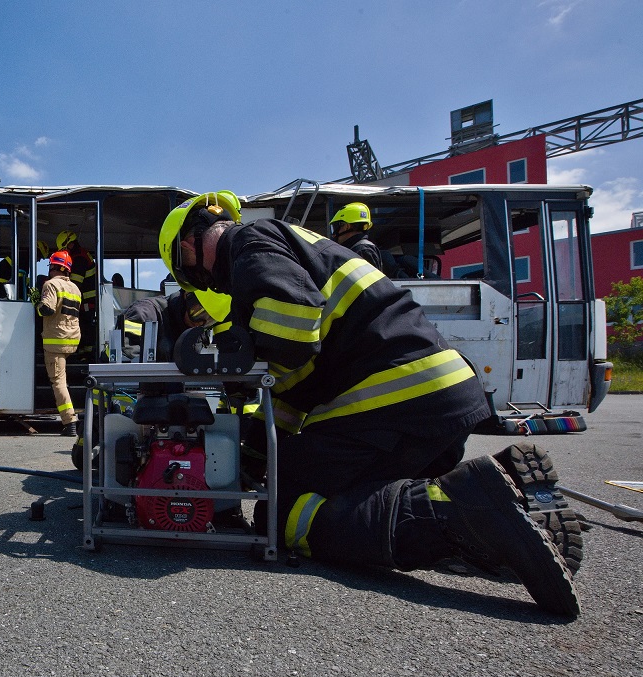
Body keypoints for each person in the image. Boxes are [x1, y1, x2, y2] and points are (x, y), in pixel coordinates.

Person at [158, 191, 578, 617]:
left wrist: (243, 360)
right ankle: (516, 500)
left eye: (185, 270)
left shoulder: (249, 242)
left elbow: (291, 330)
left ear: (187, 247)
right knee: (355, 494)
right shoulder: (297, 245)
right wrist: (258, 448)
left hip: (393, 398)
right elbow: (297, 384)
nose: (201, 284)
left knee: (283, 513)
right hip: (436, 396)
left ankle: (464, 516)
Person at [34, 250, 82, 436]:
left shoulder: (51, 284)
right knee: (63, 379)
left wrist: (37, 303)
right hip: (72, 339)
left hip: (56, 341)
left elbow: (47, 310)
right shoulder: (75, 288)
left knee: (58, 382)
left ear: (55, 267)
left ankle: (69, 422)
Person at [118, 290, 217, 362]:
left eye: (210, 319)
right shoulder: (144, 313)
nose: (201, 323)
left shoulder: (198, 328)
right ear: (186, 296)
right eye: (199, 313)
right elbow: (128, 361)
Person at [57, 231, 99, 357]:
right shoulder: (81, 254)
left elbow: (75, 284)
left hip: (87, 303)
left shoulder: (79, 258)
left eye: (64, 249)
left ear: (70, 244)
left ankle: (86, 357)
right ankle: (84, 355)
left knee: (85, 331)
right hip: (87, 302)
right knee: (84, 331)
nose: (65, 253)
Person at [329, 202, 385, 275]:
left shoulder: (362, 250)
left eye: (335, 227)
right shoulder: (358, 248)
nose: (334, 235)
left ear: (346, 226)